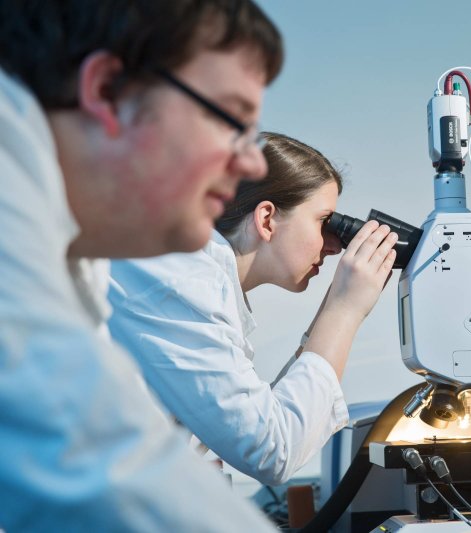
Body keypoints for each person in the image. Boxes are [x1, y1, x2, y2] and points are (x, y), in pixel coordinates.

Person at [0, 0, 289, 529]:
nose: (251, 164)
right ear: (108, 91)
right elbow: (96, 466)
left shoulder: (73, 245)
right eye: (233, 121)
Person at [108, 133, 398, 484]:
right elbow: (272, 450)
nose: (334, 245)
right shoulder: (183, 283)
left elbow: (262, 418)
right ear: (267, 219)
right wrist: (345, 312)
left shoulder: (192, 275)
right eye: (325, 221)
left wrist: (331, 309)